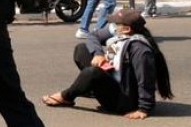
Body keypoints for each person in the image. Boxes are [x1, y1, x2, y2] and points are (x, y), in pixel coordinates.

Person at [41, 9, 172, 118]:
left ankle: (66, 96)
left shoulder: (139, 49)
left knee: (92, 72)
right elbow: (93, 36)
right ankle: (90, 87)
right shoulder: (121, 35)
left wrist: (144, 109)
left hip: (124, 101)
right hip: (115, 79)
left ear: (127, 29)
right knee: (82, 49)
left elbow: (145, 79)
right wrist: (98, 54)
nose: (113, 26)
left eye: (117, 24)